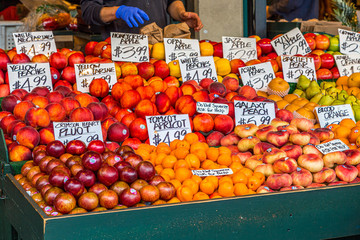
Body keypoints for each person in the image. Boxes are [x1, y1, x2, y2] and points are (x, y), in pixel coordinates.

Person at [81, 0, 203, 39]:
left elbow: (171, 1)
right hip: (122, 53)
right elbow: (89, 11)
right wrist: (118, 11)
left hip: (158, 50)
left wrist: (181, 13)